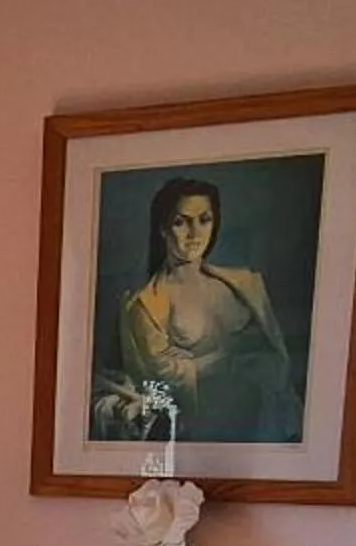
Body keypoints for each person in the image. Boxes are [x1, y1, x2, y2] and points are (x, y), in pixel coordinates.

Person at [111, 176, 303, 442]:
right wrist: (230, 358)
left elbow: (274, 357)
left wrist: (199, 362)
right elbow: (163, 376)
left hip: (263, 424)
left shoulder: (244, 285)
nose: (194, 233)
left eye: (204, 220)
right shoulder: (146, 303)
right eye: (181, 222)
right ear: (163, 229)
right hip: (202, 432)